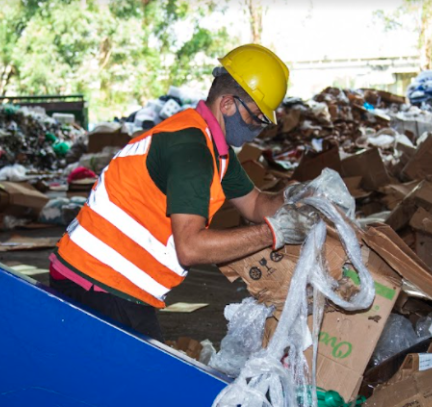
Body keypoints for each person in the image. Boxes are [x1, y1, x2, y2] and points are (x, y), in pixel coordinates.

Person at [50, 44, 319, 339]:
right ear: (228, 103)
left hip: (105, 280)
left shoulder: (213, 146)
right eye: (256, 117)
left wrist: (295, 196)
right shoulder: (192, 151)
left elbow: (255, 204)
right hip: (98, 283)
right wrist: (274, 232)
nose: (258, 128)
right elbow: (190, 248)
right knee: (147, 381)